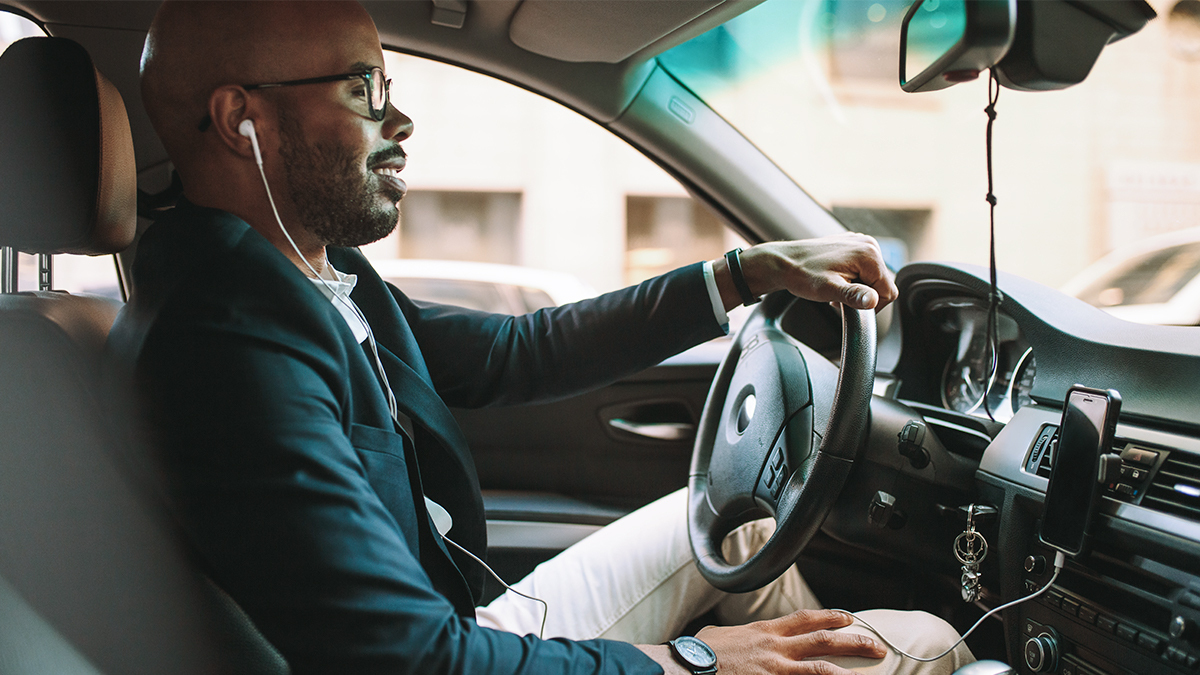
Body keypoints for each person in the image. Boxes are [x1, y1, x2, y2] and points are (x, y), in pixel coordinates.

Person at [111, 2, 975, 673]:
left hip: (455, 632)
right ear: (239, 119)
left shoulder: (299, 270)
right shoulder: (230, 335)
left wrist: (742, 274)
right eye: (362, 88)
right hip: (448, 652)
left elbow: (512, 354)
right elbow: (402, 659)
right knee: (926, 642)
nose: (399, 121)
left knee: (739, 531)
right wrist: (694, 659)